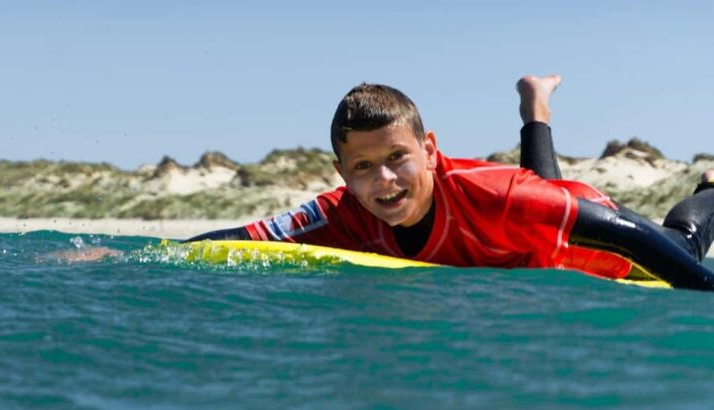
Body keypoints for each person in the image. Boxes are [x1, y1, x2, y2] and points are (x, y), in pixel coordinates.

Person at [188, 75, 714, 291]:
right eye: (364, 167)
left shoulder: (500, 198)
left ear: (431, 151)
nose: (386, 180)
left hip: (589, 232)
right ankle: (536, 105)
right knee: (537, 200)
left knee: (683, 244)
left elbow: (620, 232)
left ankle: (710, 188)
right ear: (342, 174)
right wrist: (125, 257)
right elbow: (238, 238)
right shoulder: (335, 213)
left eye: (398, 157)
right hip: (527, 225)